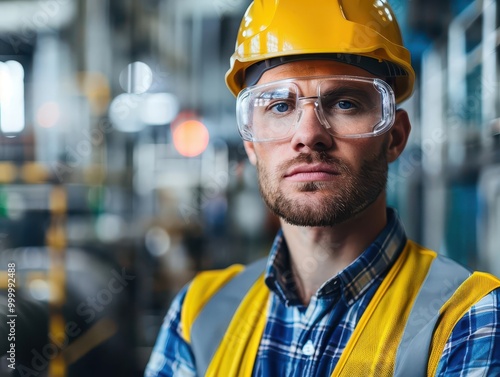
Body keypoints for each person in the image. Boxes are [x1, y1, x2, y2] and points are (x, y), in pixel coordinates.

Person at [145, 0, 500, 376]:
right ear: (251, 144)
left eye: (345, 103)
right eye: (280, 106)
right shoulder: (198, 314)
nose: (309, 134)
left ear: (395, 136)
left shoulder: (468, 319)